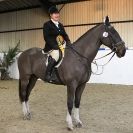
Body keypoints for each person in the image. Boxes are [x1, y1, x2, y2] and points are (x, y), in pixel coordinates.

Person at [43, 6, 71, 82]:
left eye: (57, 13)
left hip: (62, 44)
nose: (57, 15)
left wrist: (68, 42)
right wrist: (54, 46)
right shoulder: (47, 24)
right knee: (56, 55)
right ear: (51, 15)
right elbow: (47, 37)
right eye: (55, 14)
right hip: (52, 46)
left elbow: (65, 35)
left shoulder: (60, 25)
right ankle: (48, 75)